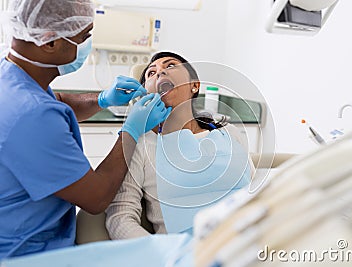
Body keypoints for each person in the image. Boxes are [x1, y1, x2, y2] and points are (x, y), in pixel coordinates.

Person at [0, 0, 170, 259]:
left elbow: (57, 101)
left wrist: (102, 99)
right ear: (49, 42)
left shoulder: (14, 76)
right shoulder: (31, 115)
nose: (86, 44)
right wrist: (131, 130)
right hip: (26, 252)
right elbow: (98, 198)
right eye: (83, 36)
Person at [106, 51, 255, 239]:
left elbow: (255, 189)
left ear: (194, 85)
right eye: (151, 73)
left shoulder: (229, 132)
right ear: (146, 92)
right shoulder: (140, 145)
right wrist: (163, 256)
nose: (159, 72)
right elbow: (120, 217)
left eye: (170, 66)